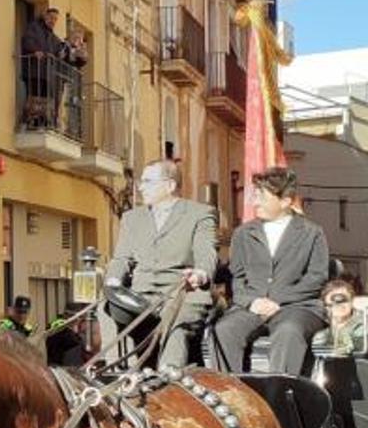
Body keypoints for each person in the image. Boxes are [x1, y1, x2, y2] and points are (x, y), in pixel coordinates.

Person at [210, 166, 329, 376]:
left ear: (285, 201)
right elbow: (237, 278)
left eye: (262, 197)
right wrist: (252, 301)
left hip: (297, 307)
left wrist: (276, 300)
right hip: (252, 306)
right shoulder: (243, 234)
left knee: (288, 333)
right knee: (224, 330)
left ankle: (279, 397)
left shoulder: (312, 233)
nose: (255, 203)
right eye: (255, 196)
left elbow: (316, 278)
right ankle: (234, 396)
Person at [100, 159, 217, 369]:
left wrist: (199, 275)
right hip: (141, 295)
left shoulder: (200, 214)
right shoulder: (131, 218)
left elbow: (206, 254)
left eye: (147, 181)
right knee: (106, 307)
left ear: (170, 185)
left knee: (175, 326)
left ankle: (167, 378)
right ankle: (117, 371)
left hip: (182, 294)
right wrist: (113, 281)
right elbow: (122, 258)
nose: (140, 187)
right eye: (140, 181)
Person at [19, 7, 66, 127]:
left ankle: (42, 122)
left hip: (46, 74)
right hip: (33, 71)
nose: (53, 21)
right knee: (33, 97)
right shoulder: (34, 28)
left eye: (55, 19)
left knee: (45, 99)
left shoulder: (52, 37)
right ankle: (28, 121)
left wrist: (62, 52)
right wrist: (35, 51)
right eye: (51, 18)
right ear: (45, 16)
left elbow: (59, 49)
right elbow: (26, 40)